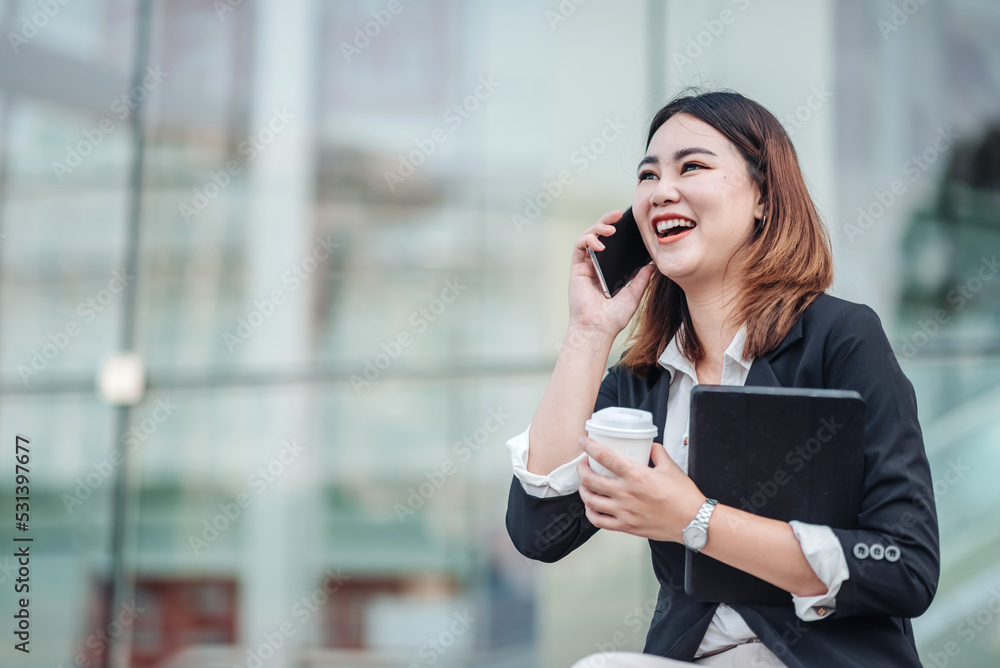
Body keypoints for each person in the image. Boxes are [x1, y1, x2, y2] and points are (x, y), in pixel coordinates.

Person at [503, 91, 939, 667]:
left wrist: (695, 519)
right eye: (648, 175)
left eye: (693, 166)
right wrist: (589, 331)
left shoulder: (841, 338)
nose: (662, 191)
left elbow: (906, 566)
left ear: (763, 196)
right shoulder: (643, 380)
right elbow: (541, 533)